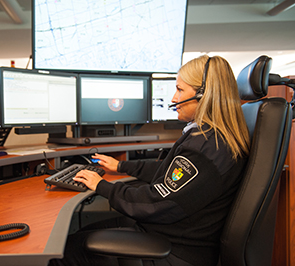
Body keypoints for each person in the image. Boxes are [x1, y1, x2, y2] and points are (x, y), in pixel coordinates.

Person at [49, 55, 251, 266]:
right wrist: (121, 165)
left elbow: (159, 202)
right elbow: (168, 174)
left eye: (180, 90)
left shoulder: (205, 148)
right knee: (83, 233)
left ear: (203, 94)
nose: (173, 98)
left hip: (175, 250)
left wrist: (102, 186)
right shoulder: (210, 137)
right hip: (178, 235)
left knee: (62, 252)